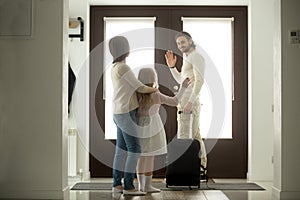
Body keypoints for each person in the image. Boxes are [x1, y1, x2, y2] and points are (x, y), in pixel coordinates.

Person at [109, 36, 158, 196]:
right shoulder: (123, 68)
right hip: (125, 112)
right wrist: (154, 88)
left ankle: (117, 184)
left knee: (121, 150)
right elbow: (139, 87)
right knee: (135, 149)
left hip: (118, 112)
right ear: (125, 49)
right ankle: (128, 186)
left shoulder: (115, 66)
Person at [135, 67, 190, 192]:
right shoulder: (156, 94)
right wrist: (183, 87)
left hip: (139, 127)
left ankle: (140, 186)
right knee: (150, 157)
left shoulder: (136, 93)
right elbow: (175, 101)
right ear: (154, 79)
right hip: (153, 126)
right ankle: (147, 186)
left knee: (141, 157)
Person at [164, 31, 207, 174]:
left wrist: (190, 102)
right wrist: (172, 67)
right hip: (185, 101)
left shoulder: (196, 57)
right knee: (195, 135)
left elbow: (199, 81)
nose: (180, 45)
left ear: (190, 41)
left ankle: (188, 171)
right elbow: (183, 81)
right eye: (178, 43)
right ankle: (200, 169)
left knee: (185, 135)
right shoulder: (189, 57)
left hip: (189, 103)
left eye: (182, 42)